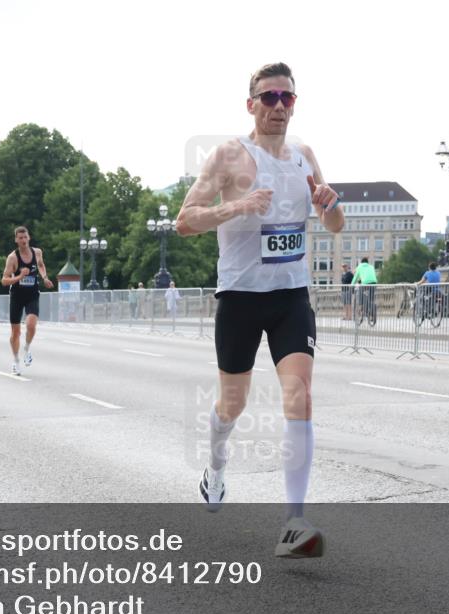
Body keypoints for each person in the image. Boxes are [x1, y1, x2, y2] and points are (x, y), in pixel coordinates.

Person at [176, 62, 344, 558]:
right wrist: (237, 206)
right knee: (233, 404)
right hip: (240, 297)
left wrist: (330, 204)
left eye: (286, 97)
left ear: (295, 104)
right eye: (269, 97)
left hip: (291, 295)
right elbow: (185, 220)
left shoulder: (304, 156)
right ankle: (216, 465)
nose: (278, 106)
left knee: (300, 394)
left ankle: (294, 522)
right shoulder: (229, 155)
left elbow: (333, 225)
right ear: (251, 105)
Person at [1, 226, 54, 375]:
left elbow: (41, 265)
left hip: (32, 295)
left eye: (25, 237)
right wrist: (19, 277)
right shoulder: (12, 258)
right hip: (17, 296)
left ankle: (27, 348)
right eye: (20, 238)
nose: (23, 240)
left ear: (29, 238)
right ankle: (16, 361)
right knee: (15, 332)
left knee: (31, 325)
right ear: (16, 240)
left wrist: (44, 277)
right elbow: (4, 280)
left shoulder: (37, 252)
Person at [350, 257, 378, 323]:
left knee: (361, 296)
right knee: (371, 299)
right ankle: (372, 312)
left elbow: (355, 277)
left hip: (365, 283)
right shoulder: (371, 267)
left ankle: (365, 306)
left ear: (361, 262)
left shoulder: (359, 267)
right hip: (374, 283)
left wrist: (351, 285)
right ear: (367, 262)